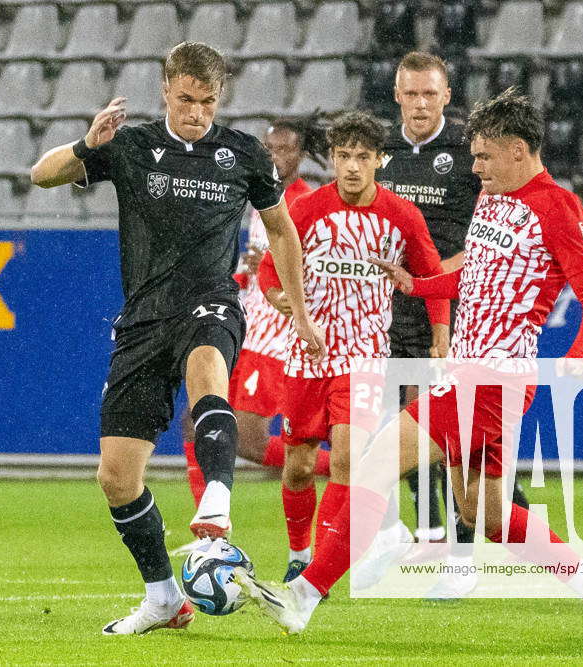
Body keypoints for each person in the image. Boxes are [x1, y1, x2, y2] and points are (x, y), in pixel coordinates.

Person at [235, 88, 583, 635]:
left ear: (518, 150)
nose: (474, 167)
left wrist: (578, 356)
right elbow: (475, 276)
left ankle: (303, 596)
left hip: (489, 377)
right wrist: (420, 285)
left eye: (483, 157)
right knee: (486, 517)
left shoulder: (559, 208)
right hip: (481, 377)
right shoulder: (493, 198)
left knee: (375, 465)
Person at [29, 41, 324, 635]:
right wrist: (89, 144)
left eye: (208, 101)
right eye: (186, 99)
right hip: (143, 318)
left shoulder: (243, 154)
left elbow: (282, 231)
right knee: (115, 476)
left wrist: (299, 309)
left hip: (210, 298)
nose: (196, 111)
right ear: (166, 90)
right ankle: (164, 597)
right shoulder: (132, 146)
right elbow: (42, 176)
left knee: (208, 364)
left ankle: (216, 501)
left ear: (221, 98)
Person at [255, 111, 448, 583]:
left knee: (345, 460)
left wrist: (440, 337)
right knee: (298, 466)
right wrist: (279, 297)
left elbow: (434, 278)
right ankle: (300, 553)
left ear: (380, 160)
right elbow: (268, 269)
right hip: (306, 355)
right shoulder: (306, 210)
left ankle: (317, 571)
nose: (353, 167)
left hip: (363, 360)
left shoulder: (402, 216)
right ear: (333, 159)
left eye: (363, 157)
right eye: (344, 156)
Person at [378, 50, 531, 598]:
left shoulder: (471, 153)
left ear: (447, 97)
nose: (420, 104)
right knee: (413, 428)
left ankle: (462, 555)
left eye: (430, 94)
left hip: (463, 310)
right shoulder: (382, 152)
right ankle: (442, 533)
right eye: (410, 94)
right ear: (396, 96)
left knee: (455, 433)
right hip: (392, 311)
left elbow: (498, 230)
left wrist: (438, 272)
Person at [175, 118, 331, 552]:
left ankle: (347, 467)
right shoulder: (260, 200)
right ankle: (209, 534)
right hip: (248, 330)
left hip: (277, 339)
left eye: (284, 149)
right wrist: (245, 273)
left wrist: (276, 266)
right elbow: (257, 272)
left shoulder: (304, 203)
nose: (275, 157)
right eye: (268, 148)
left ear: (300, 156)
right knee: (194, 422)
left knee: (248, 441)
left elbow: (314, 273)